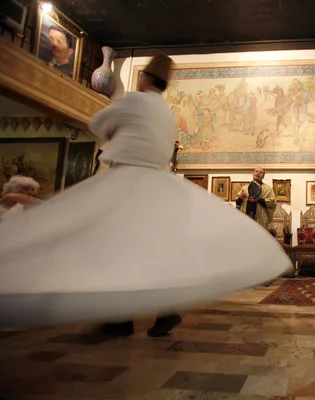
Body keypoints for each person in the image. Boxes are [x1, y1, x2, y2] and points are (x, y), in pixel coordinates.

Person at [0, 53, 291, 327]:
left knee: (112, 243)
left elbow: (98, 122)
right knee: (150, 246)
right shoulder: (167, 113)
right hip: (159, 184)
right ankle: (159, 310)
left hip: (128, 180)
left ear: (146, 78)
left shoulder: (135, 101)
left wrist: (116, 133)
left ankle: (120, 317)